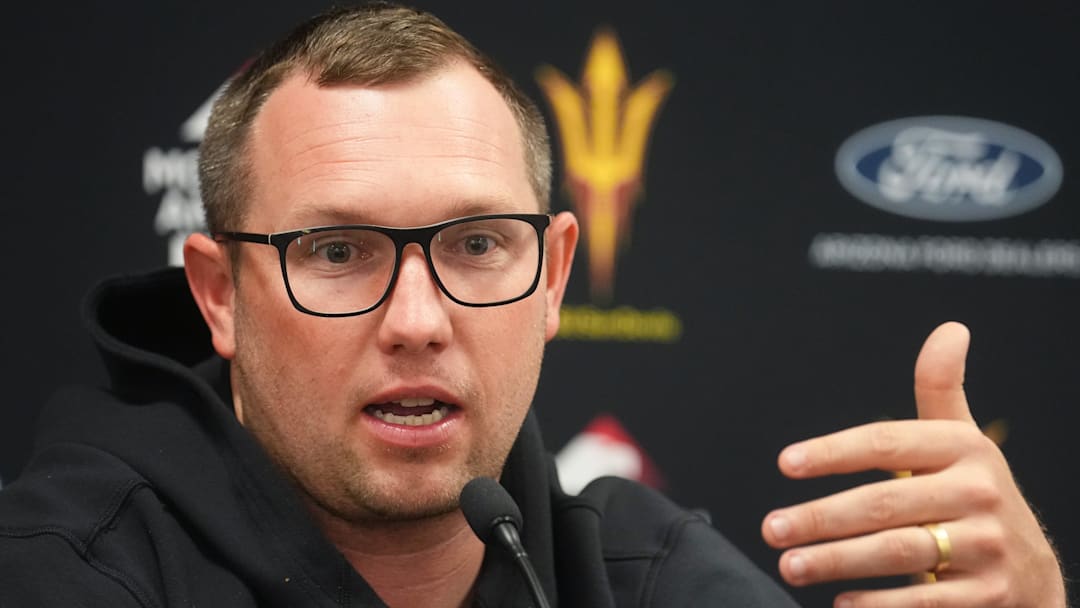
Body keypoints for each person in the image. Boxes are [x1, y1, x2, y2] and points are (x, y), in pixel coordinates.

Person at [0, 4, 1066, 607]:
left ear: (553, 277)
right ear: (220, 295)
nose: (417, 319)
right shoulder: (69, 568)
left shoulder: (640, 575)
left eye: (474, 244)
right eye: (336, 250)